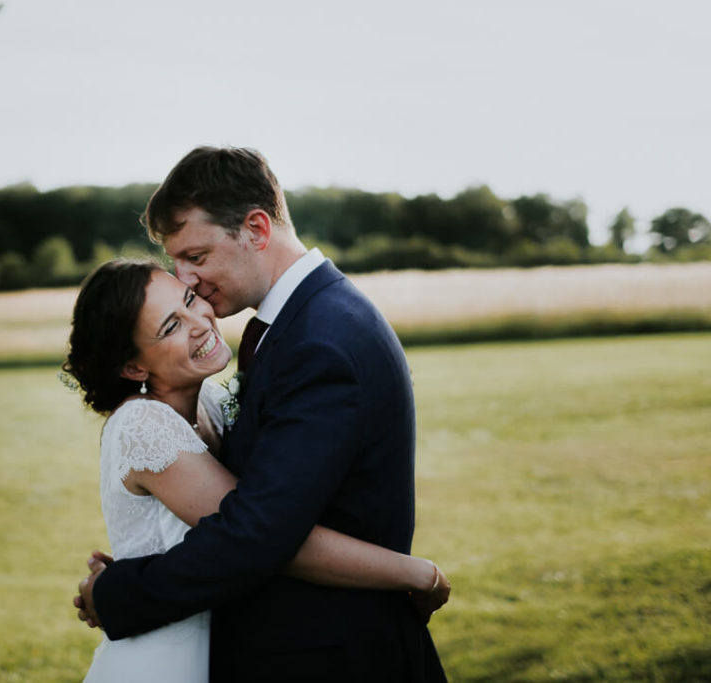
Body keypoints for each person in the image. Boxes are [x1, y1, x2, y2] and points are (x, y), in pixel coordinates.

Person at [74, 147, 448, 682]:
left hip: (332, 652)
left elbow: (258, 532)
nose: (191, 282)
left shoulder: (320, 339)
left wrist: (119, 591)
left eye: (196, 258)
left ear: (255, 228)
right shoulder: (303, 324)